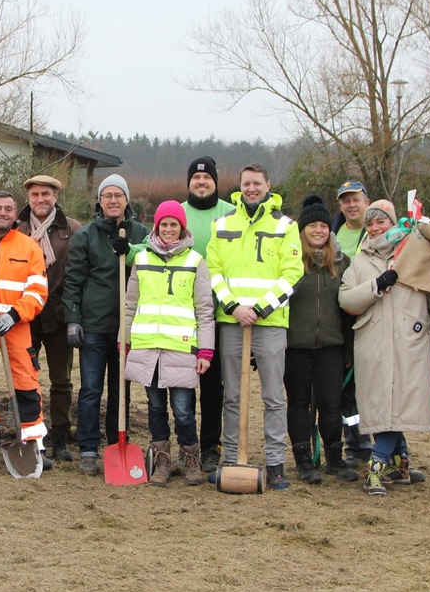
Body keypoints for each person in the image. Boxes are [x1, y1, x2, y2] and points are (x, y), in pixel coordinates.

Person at [207, 164, 302, 490]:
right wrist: (233, 306)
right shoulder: (222, 224)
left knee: (274, 396)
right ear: (240, 186)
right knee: (232, 395)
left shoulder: (286, 226)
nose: (251, 188)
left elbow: (292, 273)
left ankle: (275, 464)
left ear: (268, 185)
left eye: (257, 183)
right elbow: (214, 271)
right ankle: (233, 457)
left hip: (270, 322)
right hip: (232, 321)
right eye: (246, 183)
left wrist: (260, 308)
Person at [339, 199, 430, 497]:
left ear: (393, 222)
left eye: (380, 221)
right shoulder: (359, 261)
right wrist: (377, 284)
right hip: (374, 345)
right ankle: (397, 463)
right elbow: (346, 300)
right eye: (369, 223)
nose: (374, 228)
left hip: (411, 344)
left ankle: (380, 465)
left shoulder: (415, 252)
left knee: (400, 403)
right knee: (385, 405)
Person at [63, 174, 150, 476]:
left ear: (127, 199)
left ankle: (117, 443)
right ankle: (87, 448)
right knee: (90, 390)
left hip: (127, 328)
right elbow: (73, 280)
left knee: (120, 390)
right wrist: (73, 319)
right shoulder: (86, 236)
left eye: (118, 195)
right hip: (94, 326)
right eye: (107, 195)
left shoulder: (142, 233)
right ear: (99, 201)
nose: (113, 200)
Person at [124, 201, 215, 487]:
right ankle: (161, 457)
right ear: (156, 227)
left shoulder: (195, 261)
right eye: (164, 224)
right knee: (154, 407)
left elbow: (204, 310)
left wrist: (206, 350)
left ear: (182, 228)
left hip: (181, 348)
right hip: (148, 346)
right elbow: (129, 305)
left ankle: (190, 458)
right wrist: (124, 342)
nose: (168, 229)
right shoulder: (142, 260)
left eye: (173, 224)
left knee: (184, 408)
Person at [283, 195, 359, 485]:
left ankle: (335, 458)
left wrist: (349, 349)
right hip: (296, 346)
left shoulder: (342, 263)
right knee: (299, 403)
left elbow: (348, 309)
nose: (318, 230)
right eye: (312, 225)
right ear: (302, 230)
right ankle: (303, 461)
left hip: (331, 346)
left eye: (323, 225)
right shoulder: (290, 263)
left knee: (330, 403)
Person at [0, 190, 50, 466]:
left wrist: (15, 315)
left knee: (25, 381)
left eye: (8, 209)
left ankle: (32, 441)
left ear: (15, 213)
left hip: (16, 326)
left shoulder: (28, 246)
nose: (2, 213)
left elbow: (38, 290)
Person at [15, 174, 80, 463]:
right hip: (24, 315)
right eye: (35, 195)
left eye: (46, 194)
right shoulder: (17, 229)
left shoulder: (73, 229)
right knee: (25, 376)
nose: (40, 199)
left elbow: (78, 273)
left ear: (55, 196)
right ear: (28, 198)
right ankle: (29, 431)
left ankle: (61, 435)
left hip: (58, 314)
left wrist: (74, 313)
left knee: (61, 380)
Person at [179, 156, 234, 473]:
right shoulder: (176, 215)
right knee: (182, 386)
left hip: (222, 316)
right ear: (189, 183)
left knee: (214, 388)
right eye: (196, 178)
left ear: (215, 181)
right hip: (182, 318)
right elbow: (149, 247)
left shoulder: (230, 214)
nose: (201, 183)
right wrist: (126, 249)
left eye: (207, 178)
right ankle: (186, 448)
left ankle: (211, 447)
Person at [332, 179, 372, 463]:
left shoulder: (375, 233)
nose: (351, 204)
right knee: (347, 390)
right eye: (345, 200)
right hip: (339, 321)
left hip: (369, 319)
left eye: (355, 199)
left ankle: (377, 444)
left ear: (366, 202)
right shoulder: (332, 233)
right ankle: (354, 445)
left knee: (369, 386)